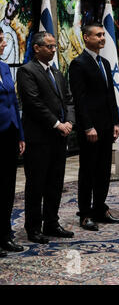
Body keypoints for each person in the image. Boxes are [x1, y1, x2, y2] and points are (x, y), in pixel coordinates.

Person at [17, 31, 75, 244]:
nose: (53, 50)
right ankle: (33, 228)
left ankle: (52, 222)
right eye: (49, 46)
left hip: (59, 138)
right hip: (39, 138)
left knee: (55, 183)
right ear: (37, 48)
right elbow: (33, 102)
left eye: (54, 46)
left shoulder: (57, 73)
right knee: (36, 184)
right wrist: (57, 123)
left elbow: (68, 100)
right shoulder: (26, 71)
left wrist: (69, 121)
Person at [69, 23, 119, 231]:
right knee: (88, 172)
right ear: (86, 38)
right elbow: (80, 99)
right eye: (98, 35)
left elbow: (110, 96)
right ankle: (85, 214)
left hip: (106, 126)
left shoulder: (106, 62)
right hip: (90, 129)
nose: (102, 38)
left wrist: (115, 122)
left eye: (103, 35)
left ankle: (100, 208)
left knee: (103, 170)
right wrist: (88, 127)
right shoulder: (79, 64)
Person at [0, 28, 25, 256]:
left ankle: (5, 235)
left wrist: (20, 134)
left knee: (7, 188)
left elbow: (14, 103)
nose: (4, 44)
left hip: (8, 133)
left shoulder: (4, 67)